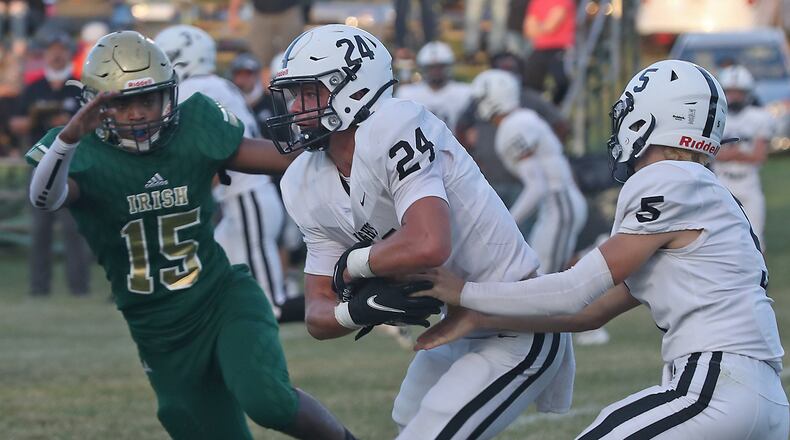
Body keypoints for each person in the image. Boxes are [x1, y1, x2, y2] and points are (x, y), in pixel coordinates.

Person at [413, 60, 789, 439]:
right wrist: (481, 316)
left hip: (713, 388)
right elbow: (591, 312)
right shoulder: (703, 191)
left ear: (647, 120)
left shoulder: (668, 177)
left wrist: (464, 291)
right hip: (759, 395)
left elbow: (575, 290)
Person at [25, 30, 355, 440]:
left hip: (220, 298)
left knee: (269, 400)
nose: (139, 114)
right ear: (95, 105)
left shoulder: (194, 128)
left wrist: (351, 147)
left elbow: (282, 159)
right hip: (157, 329)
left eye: (149, 99)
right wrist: (68, 140)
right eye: (124, 103)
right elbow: (44, 198)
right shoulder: (80, 153)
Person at [266, 24, 574, 439]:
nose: (297, 108)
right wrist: (353, 311)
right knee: (407, 419)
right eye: (294, 94)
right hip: (457, 323)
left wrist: (355, 265)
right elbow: (316, 313)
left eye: (310, 92)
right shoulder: (303, 180)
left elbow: (428, 243)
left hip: (516, 319)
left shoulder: (395, 123)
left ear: (354, 88)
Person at [154, 25, 300, 323]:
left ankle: (353, 309)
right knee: (210, 280)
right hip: (242, 199)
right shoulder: (218, 84)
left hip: (247, 197)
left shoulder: (196, 89)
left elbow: (199, 150)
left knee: (272, 305)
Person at [471, 69, 586, 274]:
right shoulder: (521, 119)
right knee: (542, 272)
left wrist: (508, 221)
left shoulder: (515, 126)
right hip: (556, 203)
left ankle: (603, 250)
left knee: (546, 280)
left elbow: (537, 186)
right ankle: (596, 252)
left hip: (559, 204)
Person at [11, 30, 91, 296]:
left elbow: (94, 125)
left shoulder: (79, 86)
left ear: (69, 53)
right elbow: (16, 124)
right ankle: (38, 287)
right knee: (40, 230)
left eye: (62, 49)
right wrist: (35, 119)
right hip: (40, 164)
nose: (57, 54)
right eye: (52, 49)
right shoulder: (34, 88)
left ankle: (79, 287)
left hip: (74, 166)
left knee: (74, 229)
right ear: (44, 54)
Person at [712, 64, 771, 246]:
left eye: (739, 92)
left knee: (756, 242)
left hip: (749, 183)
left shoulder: (759, 117)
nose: (734, 96)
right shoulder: (715, 116)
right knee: (719, 241)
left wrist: (727, 152)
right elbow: (711, 153)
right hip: (721, 182)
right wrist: (741, 151)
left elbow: (759, 156)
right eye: (730, 91)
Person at [395, 41, 472, 136]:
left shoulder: (464, 92)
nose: (436, 72)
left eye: (440, 67)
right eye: (431, 68)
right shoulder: (407, 93)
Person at [228, 0, 304, 81]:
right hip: (261, 13)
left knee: (293, 56)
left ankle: (294, 89)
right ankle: (267, 91)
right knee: (262, 60)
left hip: (288, 11)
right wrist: (233, 13)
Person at [523, 0, 575, 105]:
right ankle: (534, 108)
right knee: (528, 81)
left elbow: (551, 26)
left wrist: (538, 26)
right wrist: (542, 27)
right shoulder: (536, 2)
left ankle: (554, 109)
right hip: (539, 48)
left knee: (561, 82)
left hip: (560, 48)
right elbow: (528, 30)